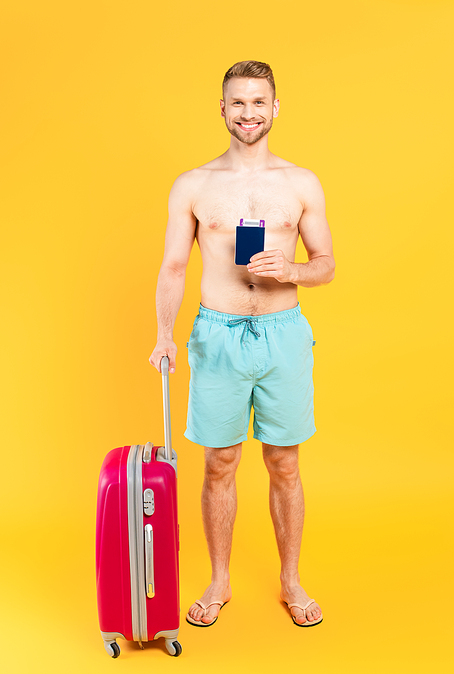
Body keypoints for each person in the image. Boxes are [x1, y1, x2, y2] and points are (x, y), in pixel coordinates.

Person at [149, 60, 335, 627]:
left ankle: (291, 582)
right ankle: (220, 581)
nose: (248, 112)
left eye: (259, 102)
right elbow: (175, 266)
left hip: (282, 335)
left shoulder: (301, 182)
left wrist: (293, 270)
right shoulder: (195, 184)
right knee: (220, 462)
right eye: (238, 103)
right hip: (218, 333)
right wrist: (164, 336)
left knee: (283, 461)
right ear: (223, 109)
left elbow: (326, 266)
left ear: (275, 108)